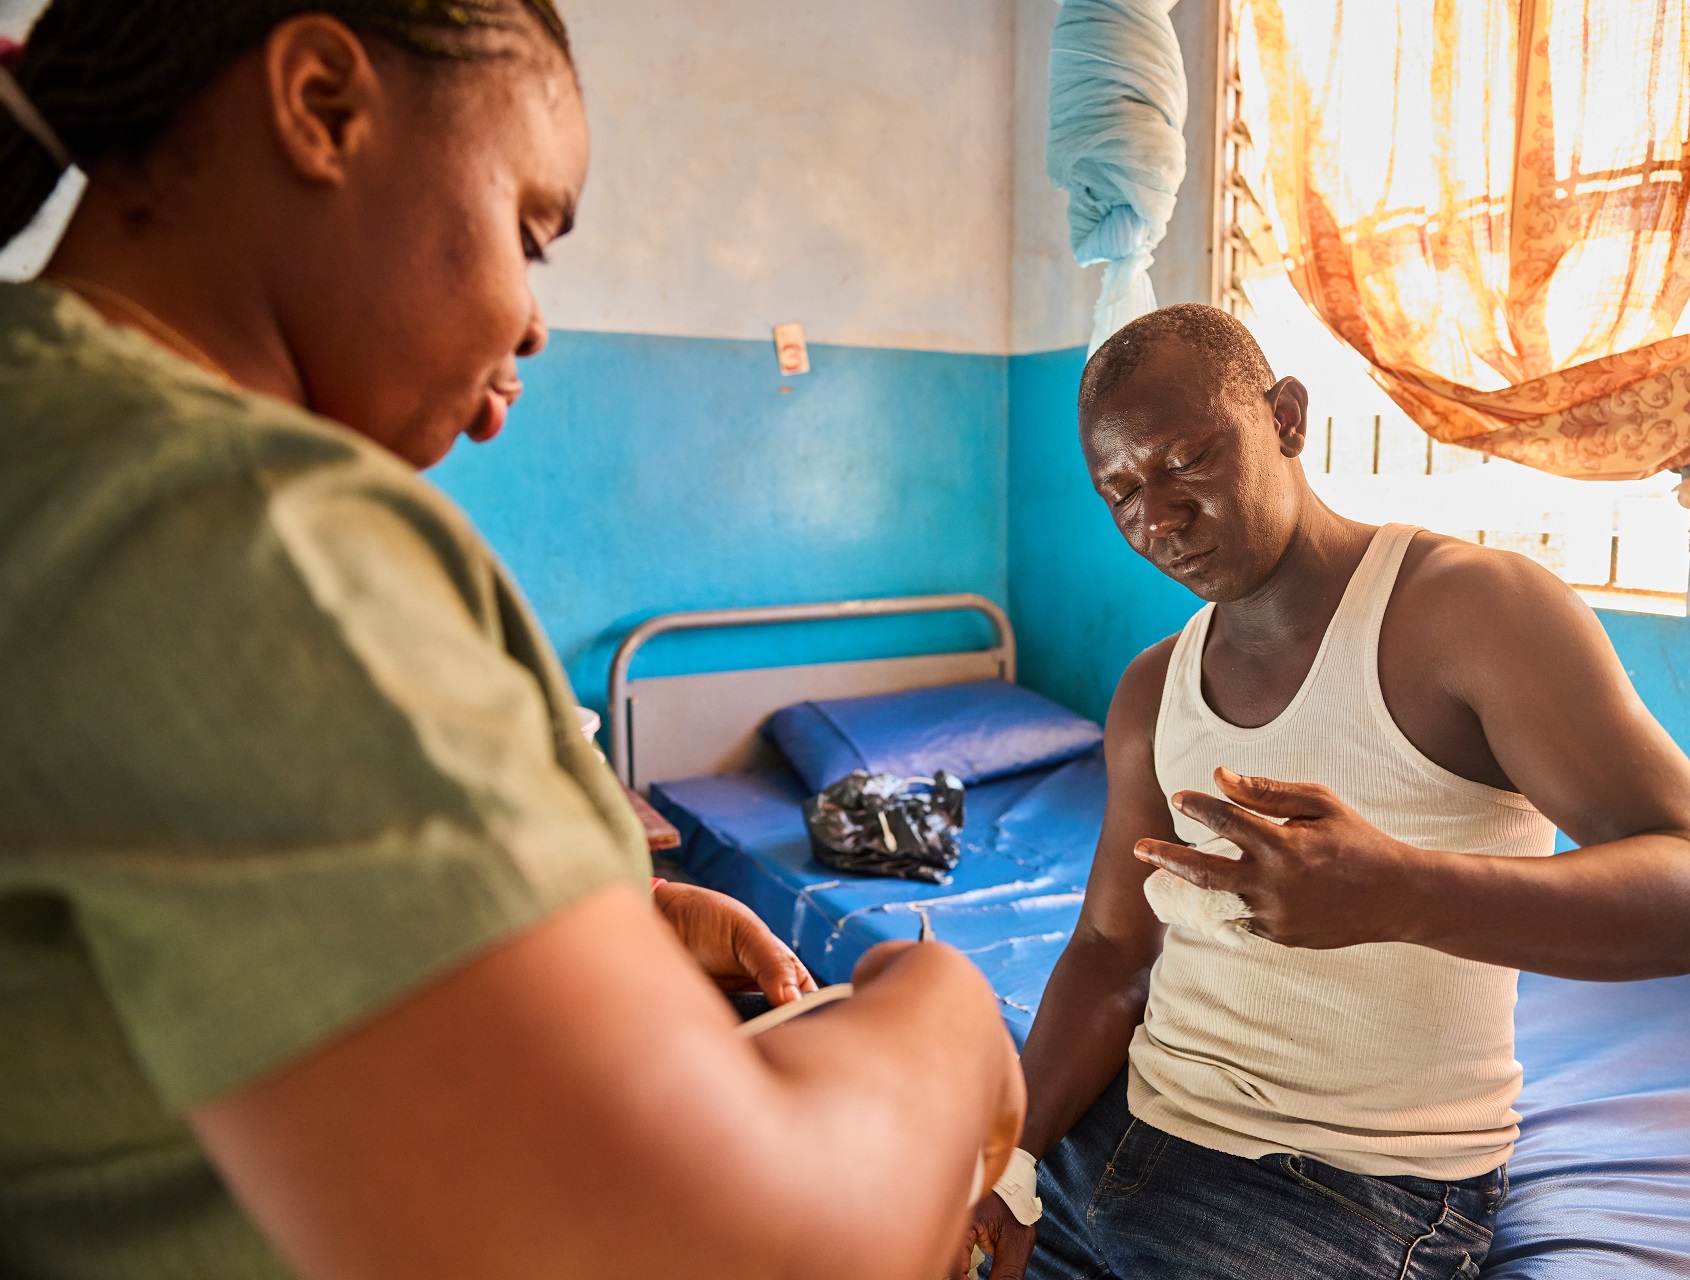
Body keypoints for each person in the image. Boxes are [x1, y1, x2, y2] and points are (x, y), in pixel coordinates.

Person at [0, 5, 1022, 1279]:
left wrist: (605, 915)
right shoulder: (244, 528)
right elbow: (759, 1251)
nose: (533, 322)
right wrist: (947, 1015)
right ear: (322, 107)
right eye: (531, 235)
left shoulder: (55, 434)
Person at [957, 304, 1690, 1280]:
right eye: (1121, 490)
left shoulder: (1468, 611)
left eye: (1185, 460)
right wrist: (1014, 1162)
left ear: (1288, 419)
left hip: (1344, 1184)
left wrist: (1403, 890)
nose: (1158, 517)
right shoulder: (1149, 689)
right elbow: (1110, 944)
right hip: (1122, 1126)